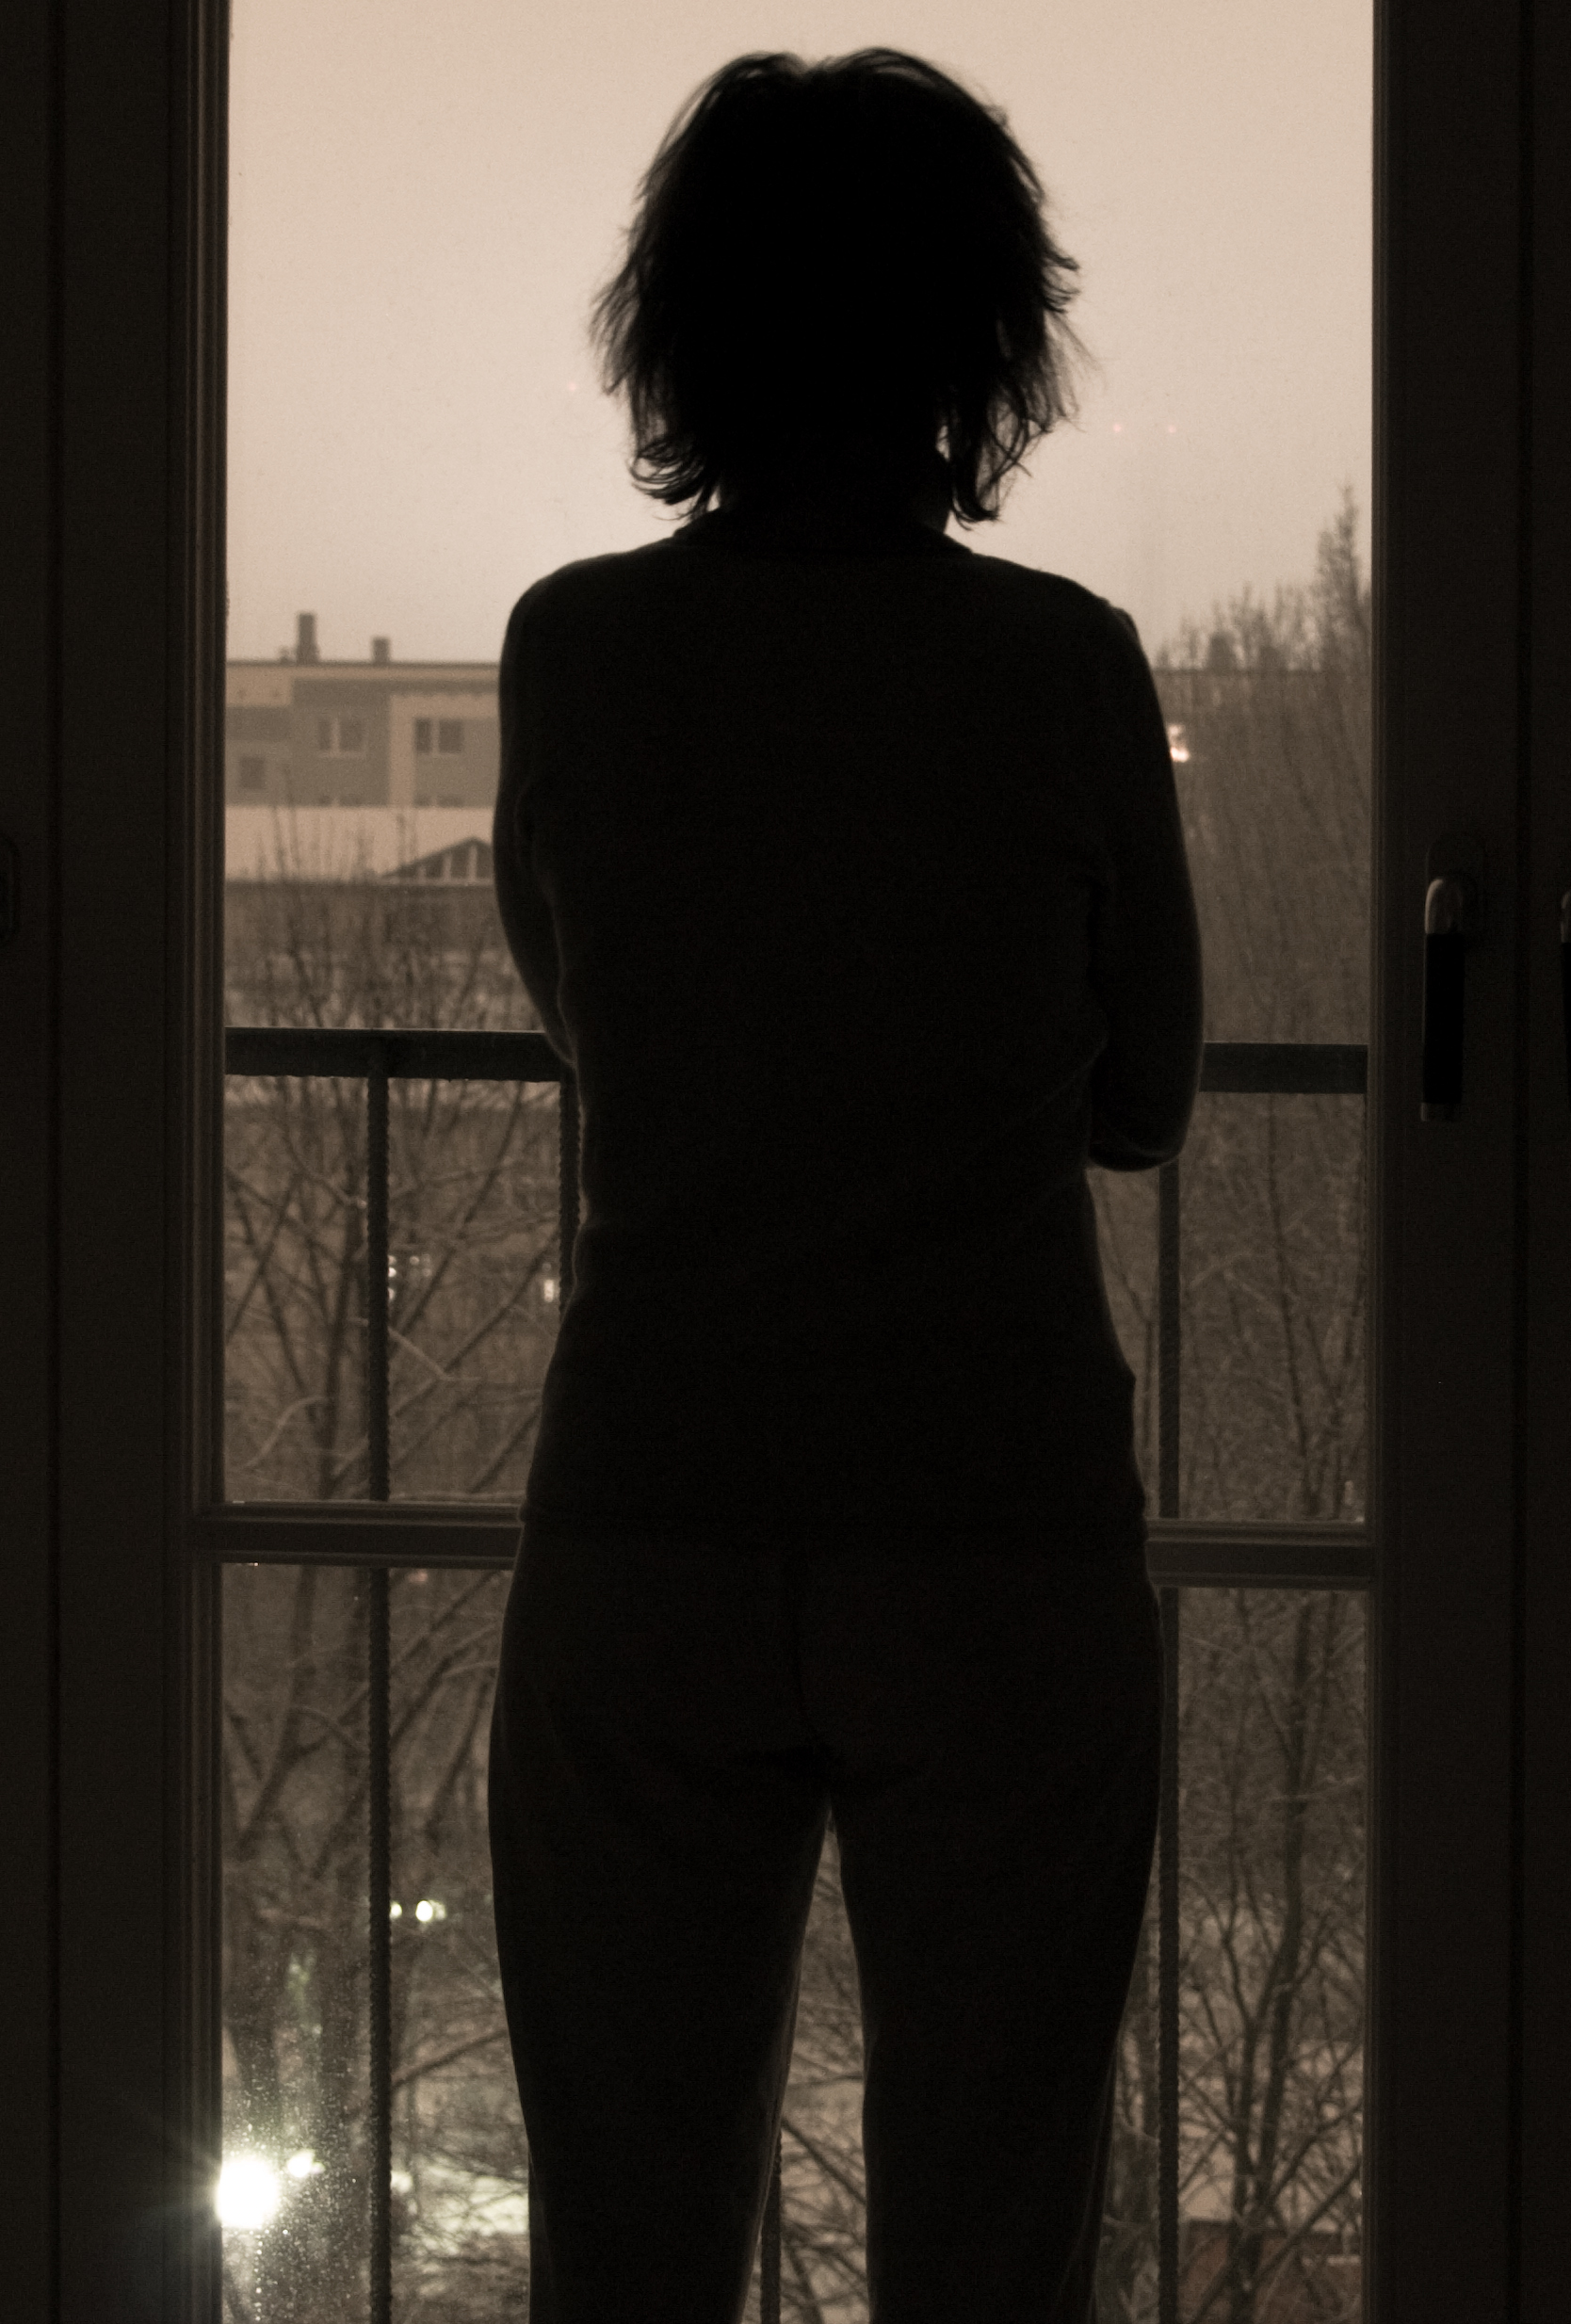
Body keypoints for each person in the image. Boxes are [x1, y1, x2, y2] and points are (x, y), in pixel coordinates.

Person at [484, 49, 1202, 2324]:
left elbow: (592, 1027)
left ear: (681, 327)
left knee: (629, 2229)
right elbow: (1149, 1097)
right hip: (992, 1523)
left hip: (651, 1506)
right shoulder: (1062, 670)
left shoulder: (575, 652)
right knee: (990, 2235)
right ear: (973, 339)